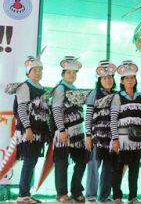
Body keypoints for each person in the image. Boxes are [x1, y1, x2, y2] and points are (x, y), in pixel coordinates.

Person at [13, 56, 50, 204]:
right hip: (28, 131)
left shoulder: (41, 88)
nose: (38, 72)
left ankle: (26, 193)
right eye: (35, 70)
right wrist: (27, 128)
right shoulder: (24, 86)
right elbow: (21, 109)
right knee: (29, 161)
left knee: (32, 161)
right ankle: (22, 195)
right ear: (28, 72)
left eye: (40, 70)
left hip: (38, 132)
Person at [52, 56, 87, 203]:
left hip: (78, 132)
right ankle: (61, 194)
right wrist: (61, 129)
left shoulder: (75, 89)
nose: (72, 75)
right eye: (69, 73)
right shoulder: (60, 88)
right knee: (62, 162)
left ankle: (76, 190)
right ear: (62, 74)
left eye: (74, 73)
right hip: (64, 132)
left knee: (82, 160)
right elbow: (56, 109)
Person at [110, 60, 141, 204]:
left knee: (134, 170)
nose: (130, 80)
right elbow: (113, 118)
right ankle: (117, 197)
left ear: (135, 79)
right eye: (127, 78)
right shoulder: (118, 97)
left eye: (132, 77)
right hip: (122, 139)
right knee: (118, 168)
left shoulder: (140, 96)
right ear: (122, 81)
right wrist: (115, 139)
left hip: (136, 140)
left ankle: (133, 197)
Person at [85, 60, 117, 203]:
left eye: (110, 77)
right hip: (97, 137)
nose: (108, 80)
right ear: (99, 80)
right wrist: (88, 136)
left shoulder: (117, 95)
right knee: (93, 167)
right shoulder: (94, 94)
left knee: (108, 168)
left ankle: (103, 197)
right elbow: (88, 116)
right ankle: (91, 196)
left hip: (111, 138)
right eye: (105, 78)